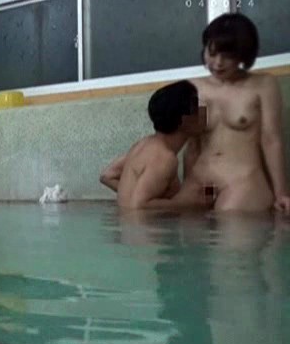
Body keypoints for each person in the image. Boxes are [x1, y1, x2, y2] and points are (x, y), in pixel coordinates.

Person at [180, 13, 290, 212]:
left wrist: (282, 193)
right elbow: (192, 147)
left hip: (241, 182)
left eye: (228, 56)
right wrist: (186, 186)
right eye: (212, 53)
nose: (218, 63)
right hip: (201, 182)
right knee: (186, 227)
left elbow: (271, 140)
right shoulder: (194, 88)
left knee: (229, 219)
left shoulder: (263, 85)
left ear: (243, 56)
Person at [100, 80, 206, 209]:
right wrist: (185, 203)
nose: (203, 112)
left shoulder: (144, 145)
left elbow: (107, 176)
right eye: (197, 108)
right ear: (183, 120)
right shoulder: (164, 158)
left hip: (127, 220)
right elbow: (139, 206)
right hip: (142, 222)